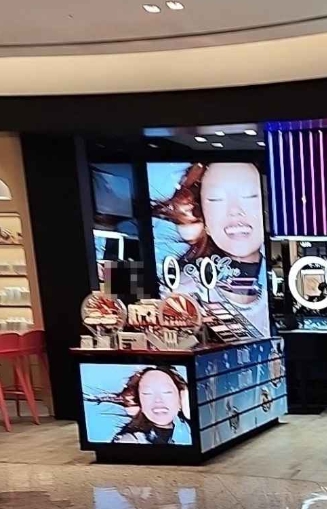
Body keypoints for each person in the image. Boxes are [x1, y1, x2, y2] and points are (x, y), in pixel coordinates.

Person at [151, 162, 268, 335]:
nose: (234, 210)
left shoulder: (268, 286)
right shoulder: (182, 296)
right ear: (203, 217)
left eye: (250, 196)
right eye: (216, 199)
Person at [107, 366, 192, 445]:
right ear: (139, 402)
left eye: (167, 392)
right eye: (147, 393)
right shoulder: (130, 441)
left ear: (181, 398)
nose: (158, 400)